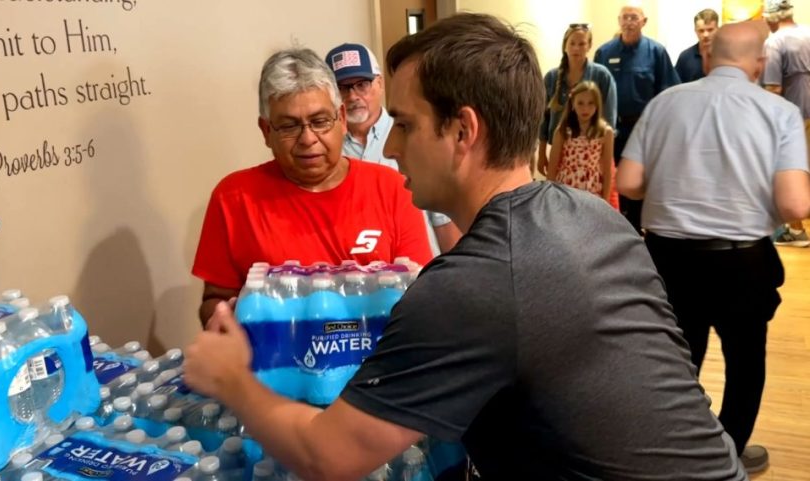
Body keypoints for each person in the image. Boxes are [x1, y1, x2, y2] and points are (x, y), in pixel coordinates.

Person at [184, 13, 747, 480]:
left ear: (463, 131)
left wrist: (231, 378)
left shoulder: (473, 284)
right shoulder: (593, 216)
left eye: (404, 124)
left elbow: (327, 456)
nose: (392, 146)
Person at [617, 22, 810, 474]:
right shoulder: (777, 112)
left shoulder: (665, 103)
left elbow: (628, 182)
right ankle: (726, 454)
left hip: (668, 258)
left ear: (707, 58)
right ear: (759, 63)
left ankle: (677, 452)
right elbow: (794, 203)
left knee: (677, 362)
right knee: (744, 364)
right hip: (742, 260)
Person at [191, 48, 432, 324]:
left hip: (381, 361)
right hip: (277, 363)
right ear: (266, 131)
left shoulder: (391, 188)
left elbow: (417, 293)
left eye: (319, 122)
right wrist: (222, 318)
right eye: (289, 126)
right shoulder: (233, 197)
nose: (307, 139)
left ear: (341, 119)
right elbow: (215, 299)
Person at [324, 43, 462, 255]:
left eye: (362, 84)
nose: (352, 96)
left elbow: (444, 222)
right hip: (356, 279)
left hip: (421, 276)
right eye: (342, 88)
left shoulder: (416, 135)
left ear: (380, 83)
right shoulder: (325, 152)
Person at [595, 4, 680, 233]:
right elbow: (595, 93)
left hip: (644, 129)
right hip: (612, 129)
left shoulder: (657, 52)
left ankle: (640, 231)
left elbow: (668, 93)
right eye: (625, 17)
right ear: (618, 20)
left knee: (641, 182)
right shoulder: (604, 53)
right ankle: (616, 229)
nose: (629, 22)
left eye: (634, 17)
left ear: (644, 21)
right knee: (612, 180)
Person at [537, 24, 616, 177]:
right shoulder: (552, 78)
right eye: (572, 43)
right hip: (558, 151)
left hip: (592, 153)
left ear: (589, 46)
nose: (576, 48)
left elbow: (609, 119)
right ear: (565, 46)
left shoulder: (602, 75)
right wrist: (541, 154)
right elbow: (542, 119)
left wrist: (604, 157)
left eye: (582, 44)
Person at [762, 0, 810, 247]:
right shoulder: (808, 33)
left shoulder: (775, 41)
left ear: (771, 18)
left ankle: (795, 230)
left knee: (791, 170)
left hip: (795, 113)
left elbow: (773, 88)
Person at [547, 81, 617, 208]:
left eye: (591, 103)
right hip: (565, 189)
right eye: (580, 103)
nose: (585, 108)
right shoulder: (562, 131)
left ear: (597, 105)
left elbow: (607, 172)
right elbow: (552, 168)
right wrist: (549, 200)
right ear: (573, 104)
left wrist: (606, 203)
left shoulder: (605, 132)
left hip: (592, 190)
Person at [675, 9, 720, 83]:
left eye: (710, 30)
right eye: (701, 31)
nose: (706, 35)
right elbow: (676, 86)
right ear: (695, 31)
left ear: (718, 29)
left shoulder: (727, 56)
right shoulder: (685, 57)